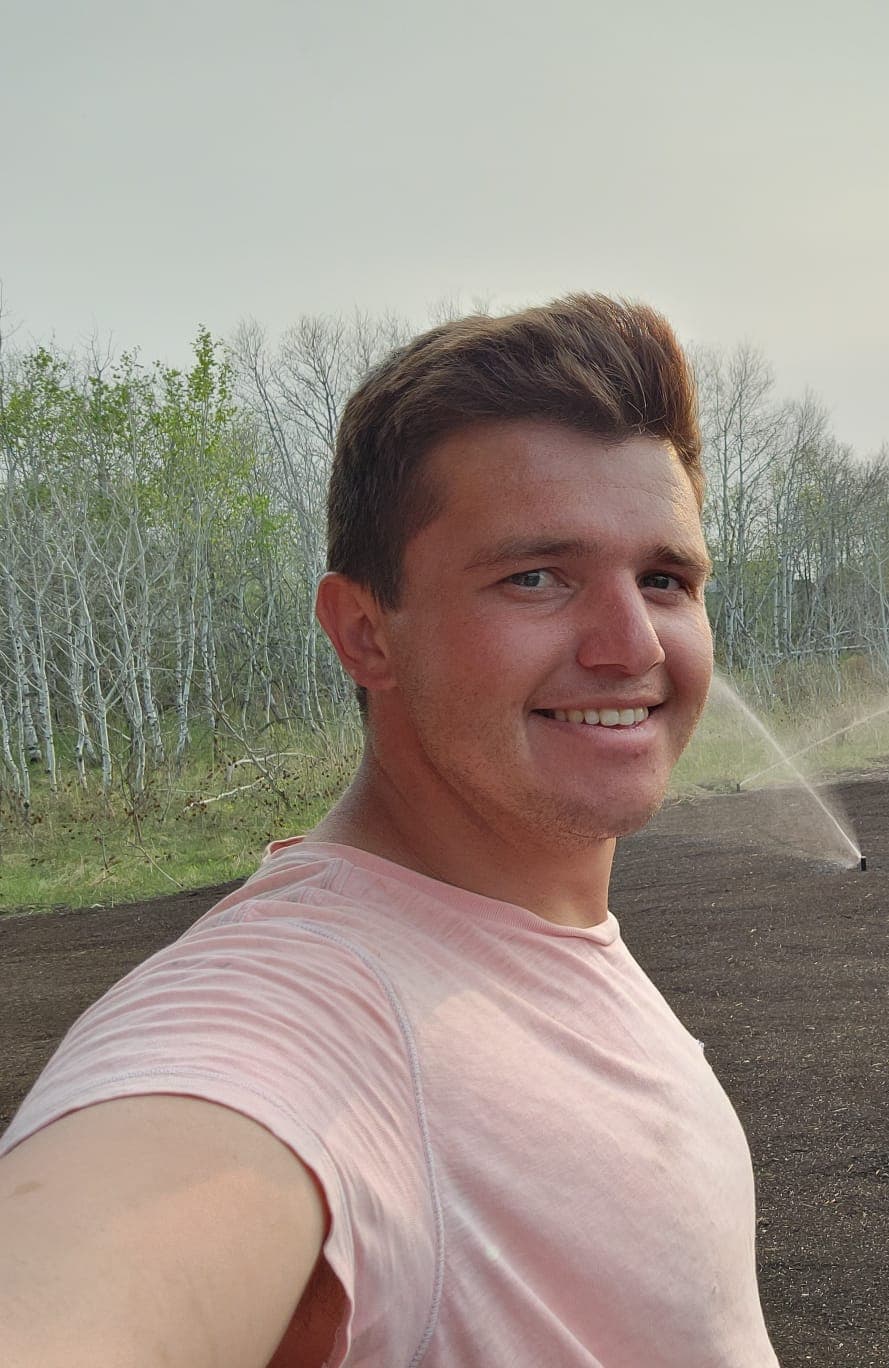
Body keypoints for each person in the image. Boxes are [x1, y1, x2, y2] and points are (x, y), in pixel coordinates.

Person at [0, 295, 778, 1367]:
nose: (629, 644)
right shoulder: (301, 1009)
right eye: (536, 577)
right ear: (364, 631)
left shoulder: (527, 930)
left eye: (665, 579)